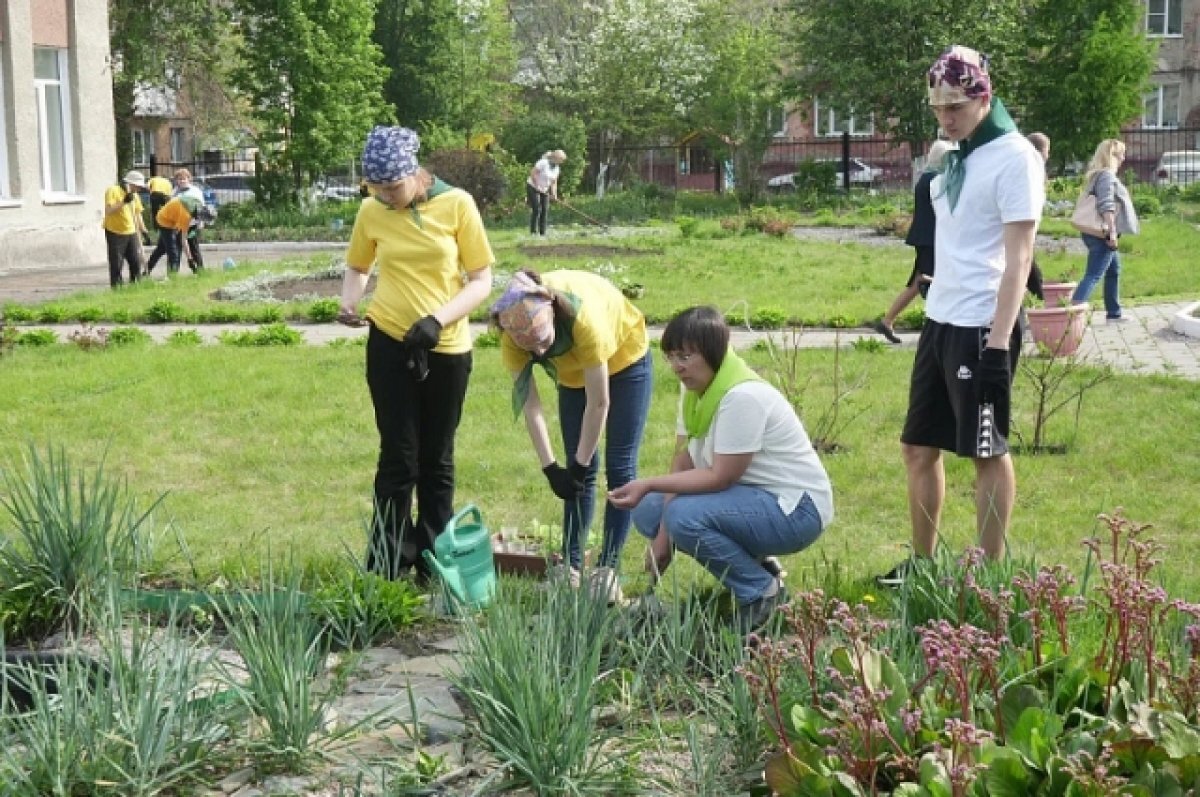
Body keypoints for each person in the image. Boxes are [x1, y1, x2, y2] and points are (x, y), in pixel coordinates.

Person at [880, 46, 1045, 585]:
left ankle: (989, 575)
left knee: (984, 449)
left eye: (955, 106)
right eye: (938, 108)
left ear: (984, 97)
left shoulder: (1014, 156)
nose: (946, 117)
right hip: (942, 319)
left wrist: (999, 344)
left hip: (982, 326)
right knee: (917, 447)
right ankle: (922, 566)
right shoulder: (957, 155)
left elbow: (1019, 257)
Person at [607, 306, 834, 634]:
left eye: (685, 356)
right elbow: (684, 459)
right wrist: (661, 538)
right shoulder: (695, 391)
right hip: (752, 500)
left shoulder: (742, 397)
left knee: (682, 515)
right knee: (650, 509)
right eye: (671, 357)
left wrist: (649, 485)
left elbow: (721, 476)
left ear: (713, 353)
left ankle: (760, 592)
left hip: (797, 511)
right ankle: (758, 565)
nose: (676, 367)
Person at [338, 126, 495, 582]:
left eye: (392, 187)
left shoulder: (458, 204)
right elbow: (358, 265)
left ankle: (433, 560)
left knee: (436, 457)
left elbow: (481, 279)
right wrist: (350, 300)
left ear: (415, 174)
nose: (386, 197)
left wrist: (437, 321)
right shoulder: (372, 210)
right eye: (377, 189)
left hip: (444, 347)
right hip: (389, 341)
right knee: (397, 455)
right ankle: (387, 563)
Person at [491, 268, 652, 601]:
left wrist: (578, 465)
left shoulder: (584, 320)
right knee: (580, 473)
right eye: (529, 348)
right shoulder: (512, 335)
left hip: (626, 356)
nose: (537, 353)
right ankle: (573, 567)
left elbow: (599, 403)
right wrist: (552, 468)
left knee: (619, 467)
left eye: (542, 342)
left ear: (552, 313)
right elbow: (531, 406)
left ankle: (608, 569)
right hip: (574, 373)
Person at [873, 140, 954, 344]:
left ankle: (888, 320)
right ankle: (939, 325)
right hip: (931, 239)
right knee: (928, 280)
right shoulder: (936, 180)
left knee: (920, 281)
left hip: (925, 238)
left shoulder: (926, 177)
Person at [1070, 139, 1139, 321]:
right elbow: (1106, 204)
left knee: (1113, 270)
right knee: (1093, 274)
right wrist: (1111, 232)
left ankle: (1114, 313)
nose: (1124, 158)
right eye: (1121, 154)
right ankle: (1069, 317)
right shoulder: (1106, 175)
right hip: (1102, 233)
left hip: (1094, 232)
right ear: (1112, 156)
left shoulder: (1097, 175)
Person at [102, 170, 150, 288]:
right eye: (137, 186)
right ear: (130, 183)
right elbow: (108, 211)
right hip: (115, 231)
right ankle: (117, 287)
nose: (138, 189)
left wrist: (143, 230)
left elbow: (138, 213)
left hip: (131, 231)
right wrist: (123, 202)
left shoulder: (135, 195)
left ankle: (136, 285)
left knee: (135, 260)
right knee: (117, 262)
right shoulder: (113, 190)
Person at [173, 169, 208, 271]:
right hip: (179, 225)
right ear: (176, 181)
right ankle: (174, 271)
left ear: (189, 179)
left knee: (193, 246)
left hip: (192, 224)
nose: (182, 181)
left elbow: (201, 207)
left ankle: (200, 269)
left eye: (184, 179)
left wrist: (201, 222)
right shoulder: (174, 192)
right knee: (177, 248)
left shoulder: (195, 191)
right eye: (180, 179)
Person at [145, 173, 179, 275]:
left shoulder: (154, 179)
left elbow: (147, 186)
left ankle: (147, 271)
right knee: (171, 251)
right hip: (165, 199)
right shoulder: (168, 183)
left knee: (156, 212)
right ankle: (172, 275)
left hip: (155, 195)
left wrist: (150, 191)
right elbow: (169, 196)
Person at [527, 149, 566, 235]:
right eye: (561, 160)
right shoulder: (543, 162)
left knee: (545, 210)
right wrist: (537, 186)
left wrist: (554, 194)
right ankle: (533, 232)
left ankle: (542, 233)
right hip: (533, 187)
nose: (562, 162)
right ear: (556, 157)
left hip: (544, 190)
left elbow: (553, 182)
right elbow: (533, 173)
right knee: (537, 209)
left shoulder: (557, 169)